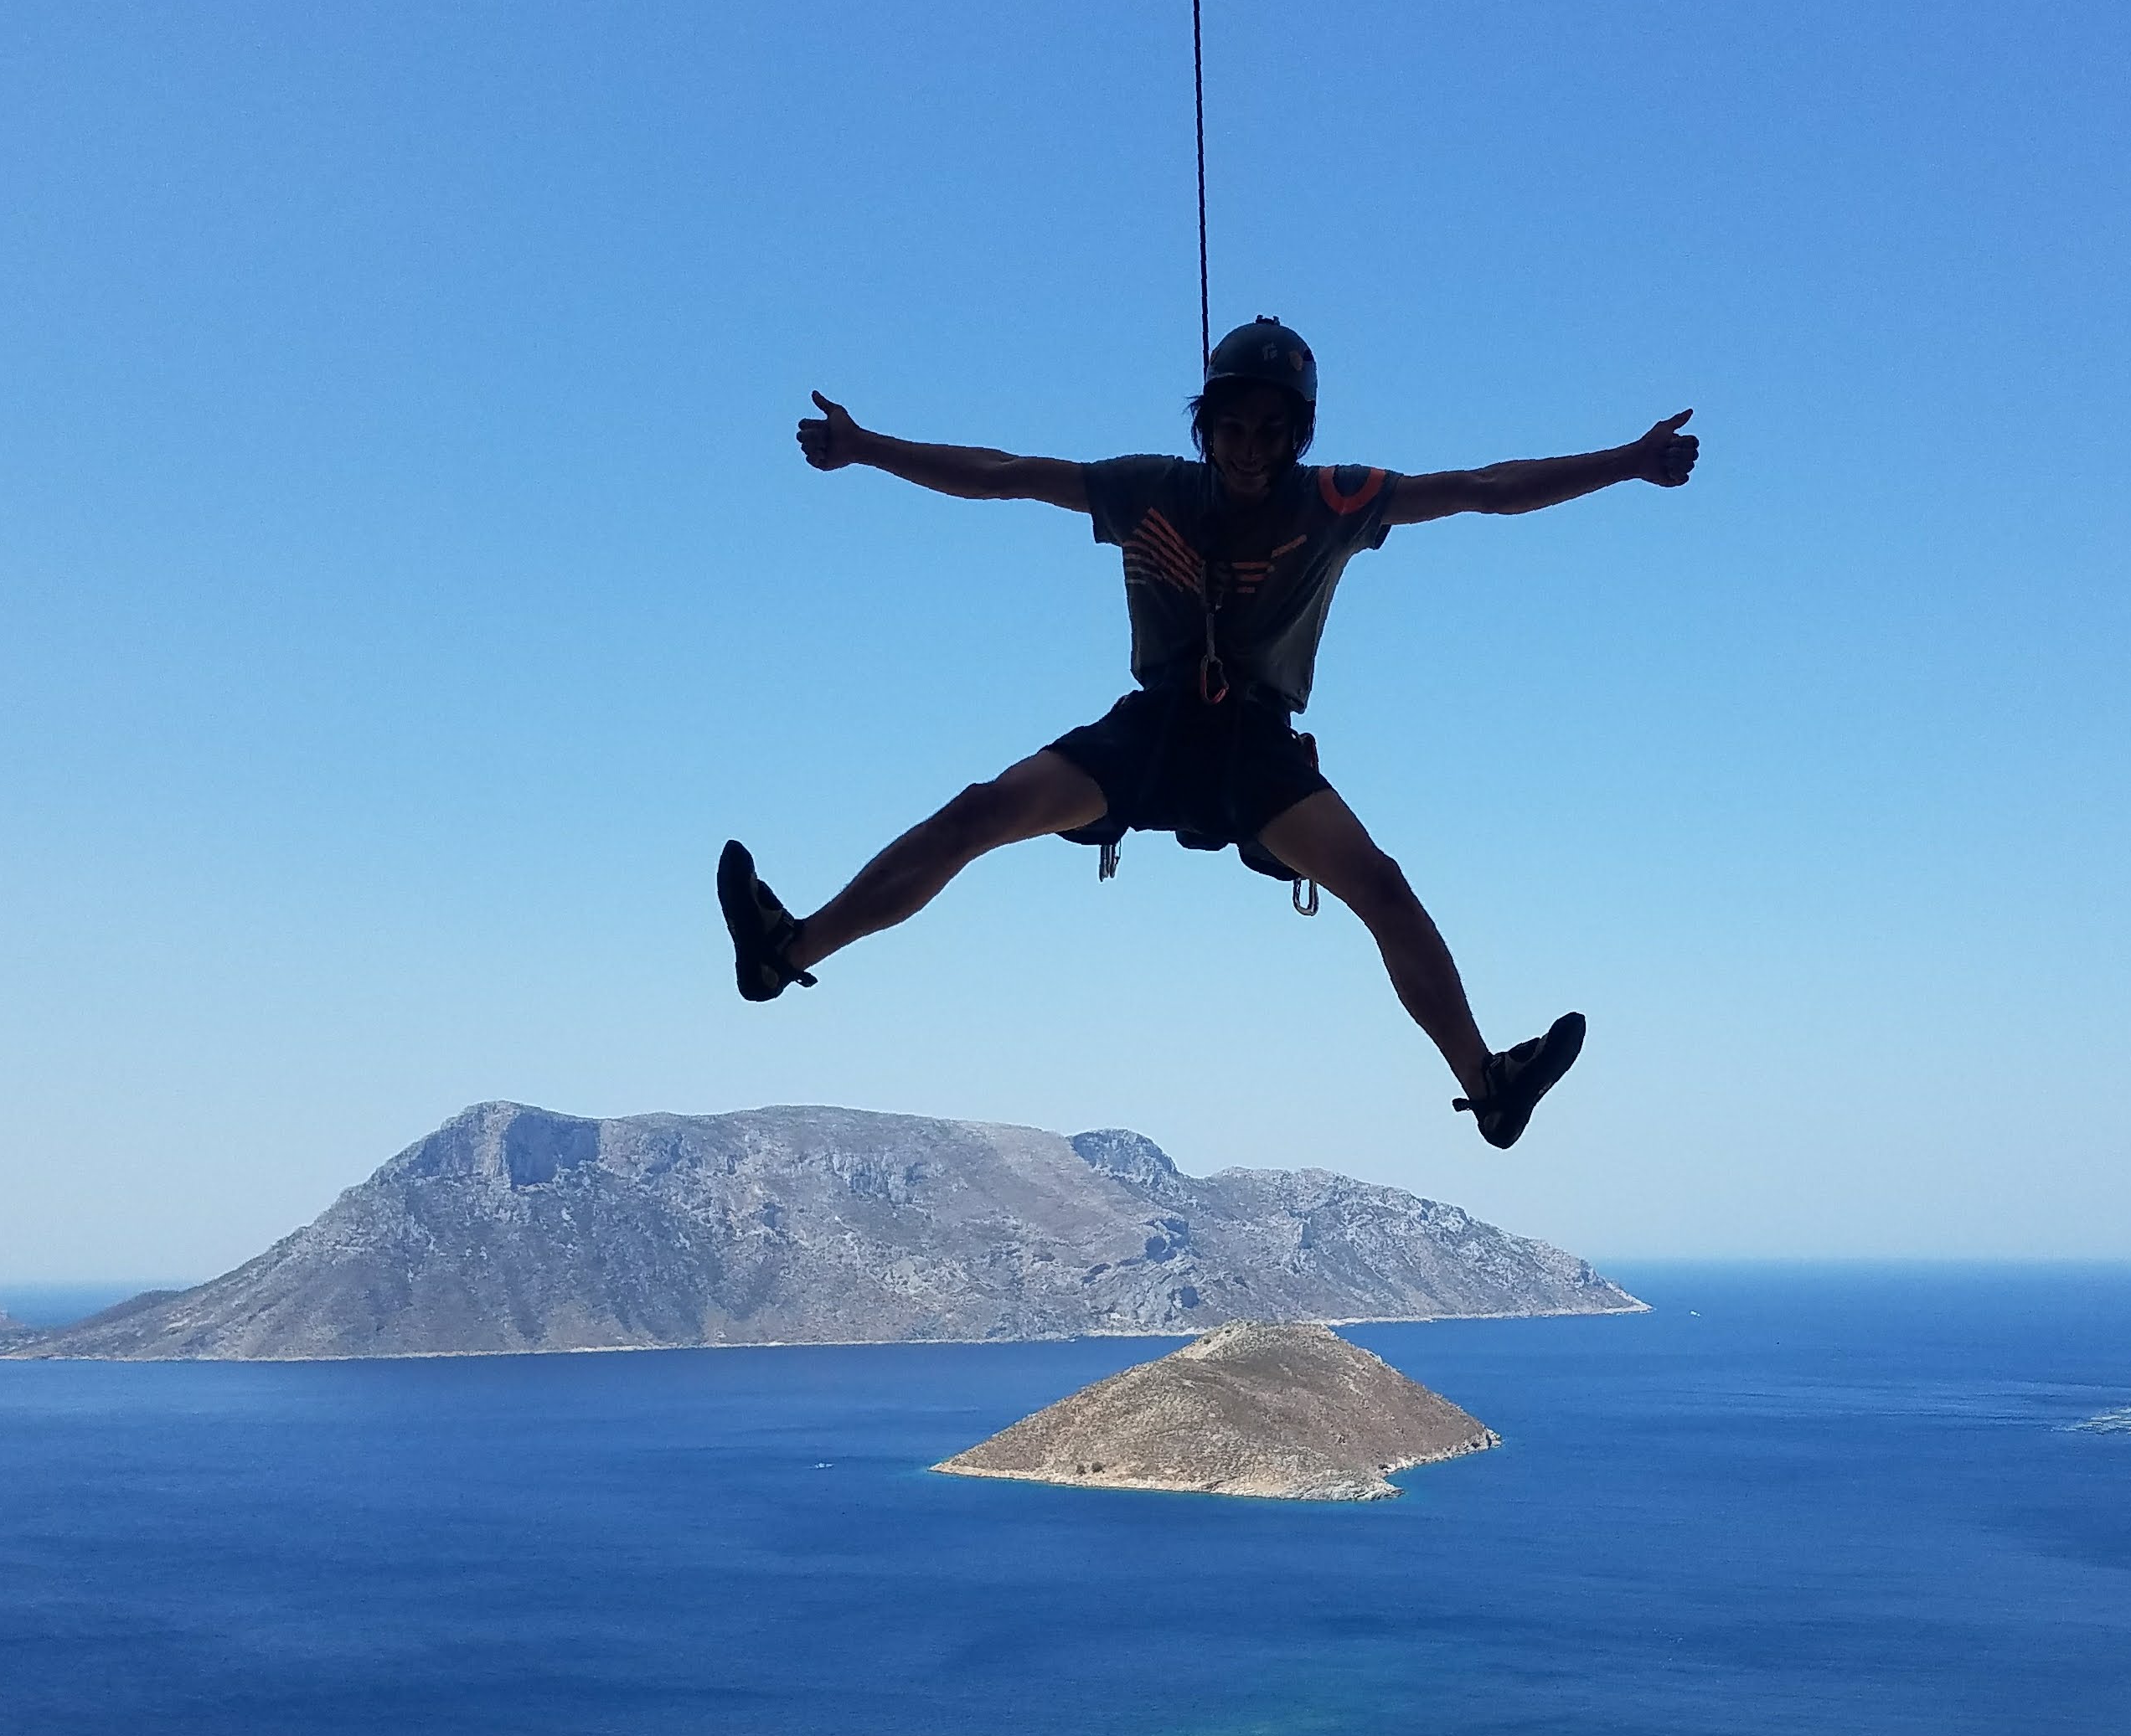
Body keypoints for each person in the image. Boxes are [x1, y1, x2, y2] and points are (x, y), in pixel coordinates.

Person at [719, 316, 1698, 1150]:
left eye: (1272, 431)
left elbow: (1484, 487)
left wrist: (1627, 462)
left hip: (1257, 746)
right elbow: (1006, 475)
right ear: (1206, 426)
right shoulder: (1149, 488)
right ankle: (785, 950)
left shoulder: (1338, 501)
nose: (1249, 448)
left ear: (1299, 435)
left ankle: (1489, 1087)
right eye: (1231, 428)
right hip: (1150, 731)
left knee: (1383, 889)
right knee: (978, 813)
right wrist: (868, 448)